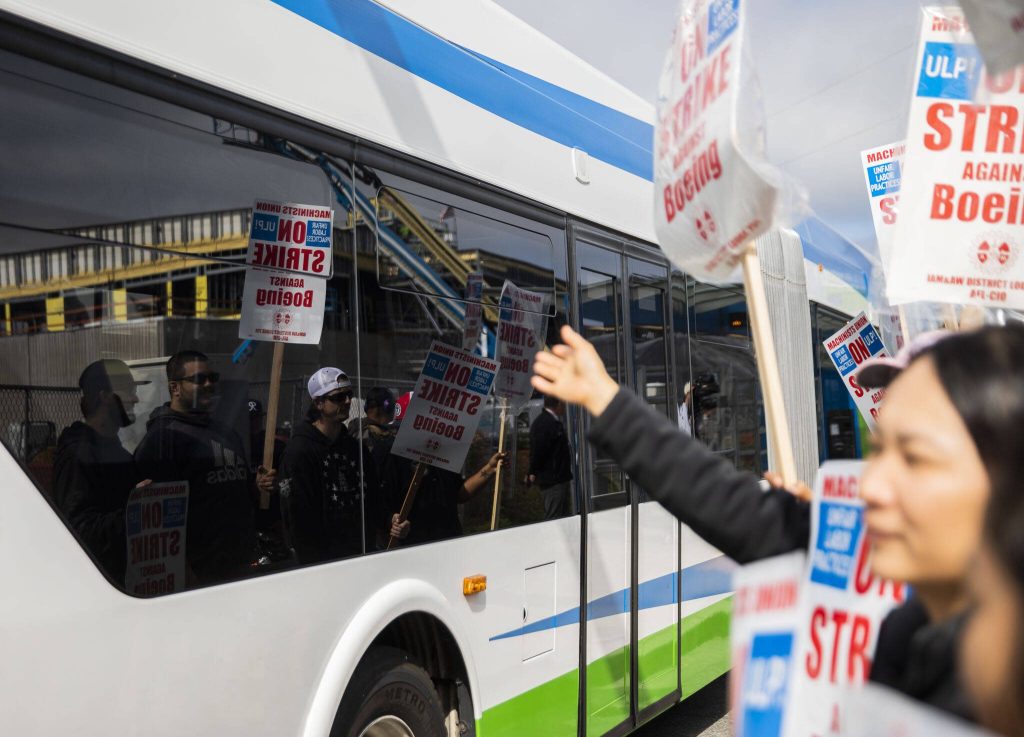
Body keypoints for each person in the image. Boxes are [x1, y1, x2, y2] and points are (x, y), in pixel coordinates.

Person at [531, 323, 1012, 722]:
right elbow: (725, 500)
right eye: (878, 450)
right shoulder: (905, 633)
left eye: (916, 458)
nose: (871, 486)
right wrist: (606, 400)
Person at [134, 350, 268, 586]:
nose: (209, 385)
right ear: (174, 388)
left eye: (213, 378)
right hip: (200, 576)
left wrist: (258, 487)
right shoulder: (163, 439)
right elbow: (159, 522)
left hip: (241, 567)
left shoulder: (227, 434)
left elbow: (241, 492)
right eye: (199, 379)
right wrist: (184, 572)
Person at [279, 368, 403, 563]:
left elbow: (374, 500)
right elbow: (297, 517)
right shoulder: (300, 451)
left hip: (361, 556)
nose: (347, 401)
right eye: (338, 397)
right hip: (323, 563)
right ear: (319, 403)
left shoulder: (355, 448)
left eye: (349, 395)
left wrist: (390, 520)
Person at [53, 359, 147, 584]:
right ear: (104, 395)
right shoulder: (78, 456)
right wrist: (135, 512)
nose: (135, 399)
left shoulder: (118, 453)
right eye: (128, 391)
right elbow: (78, 531)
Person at [381, 450, 507, 546]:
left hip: (449, 542)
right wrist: (392, 521)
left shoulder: (442, 456)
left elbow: (459, 494)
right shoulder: (393, 455)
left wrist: (490, 468)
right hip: (413, 546)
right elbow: (380, 505)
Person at [526, 395, 572, 519]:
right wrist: (532, 471)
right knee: (554, 517)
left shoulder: (551, 421)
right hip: (552, 479)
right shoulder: (545, 423)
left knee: (562, 516)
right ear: (558, 404)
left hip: (558, 478)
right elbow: (538, 451)